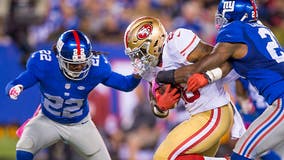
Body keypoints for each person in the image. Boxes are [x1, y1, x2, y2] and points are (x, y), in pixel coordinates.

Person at [156, 0, 284, 160]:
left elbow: (202, 65)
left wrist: (164, 76)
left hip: (281, 103)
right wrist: (209, 77)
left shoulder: (235, 30)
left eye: (224, 17)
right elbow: (231, 63)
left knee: (242, 154)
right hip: (278, 101)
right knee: (266, 153)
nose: (221, 21)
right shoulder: (258, 29)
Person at [5, 29, 141, 160]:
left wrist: (136, 75)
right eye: (73, 65)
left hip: (80, 124)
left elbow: (125, 84)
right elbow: (19, 81)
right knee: (24, 147)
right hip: (48, 120)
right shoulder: (45, 63)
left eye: (82, 63)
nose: (79, 68)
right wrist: (16, 87)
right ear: (59, 58)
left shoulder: (96, 67)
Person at [124, 16, 246, 160]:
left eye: (140, 52)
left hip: (214, 112)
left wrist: (208, 76)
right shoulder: (149, 69)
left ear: (155, 42)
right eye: (135, 54)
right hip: (198, 116)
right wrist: (161, 107)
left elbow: (223, 58)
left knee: (164, 157)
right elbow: (155, 103)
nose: (138, 59)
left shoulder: (176, 43)